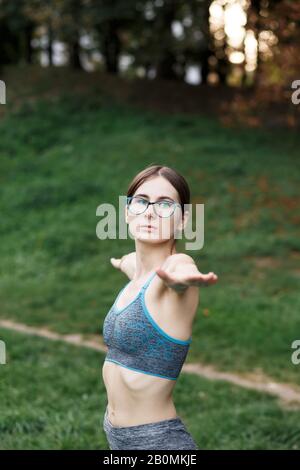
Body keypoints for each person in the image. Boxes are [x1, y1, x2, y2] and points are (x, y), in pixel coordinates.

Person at [102, 164, 218, 450]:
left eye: (165, 204)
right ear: (127, 212)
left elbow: (178, 272)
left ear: (182, 220)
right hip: (118, 438)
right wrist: (125, 264)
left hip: (158, 443)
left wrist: (182, 280)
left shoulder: (177, 271)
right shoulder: (137, 275)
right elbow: (133, 263)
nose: (150, 212)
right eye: (141, 201)